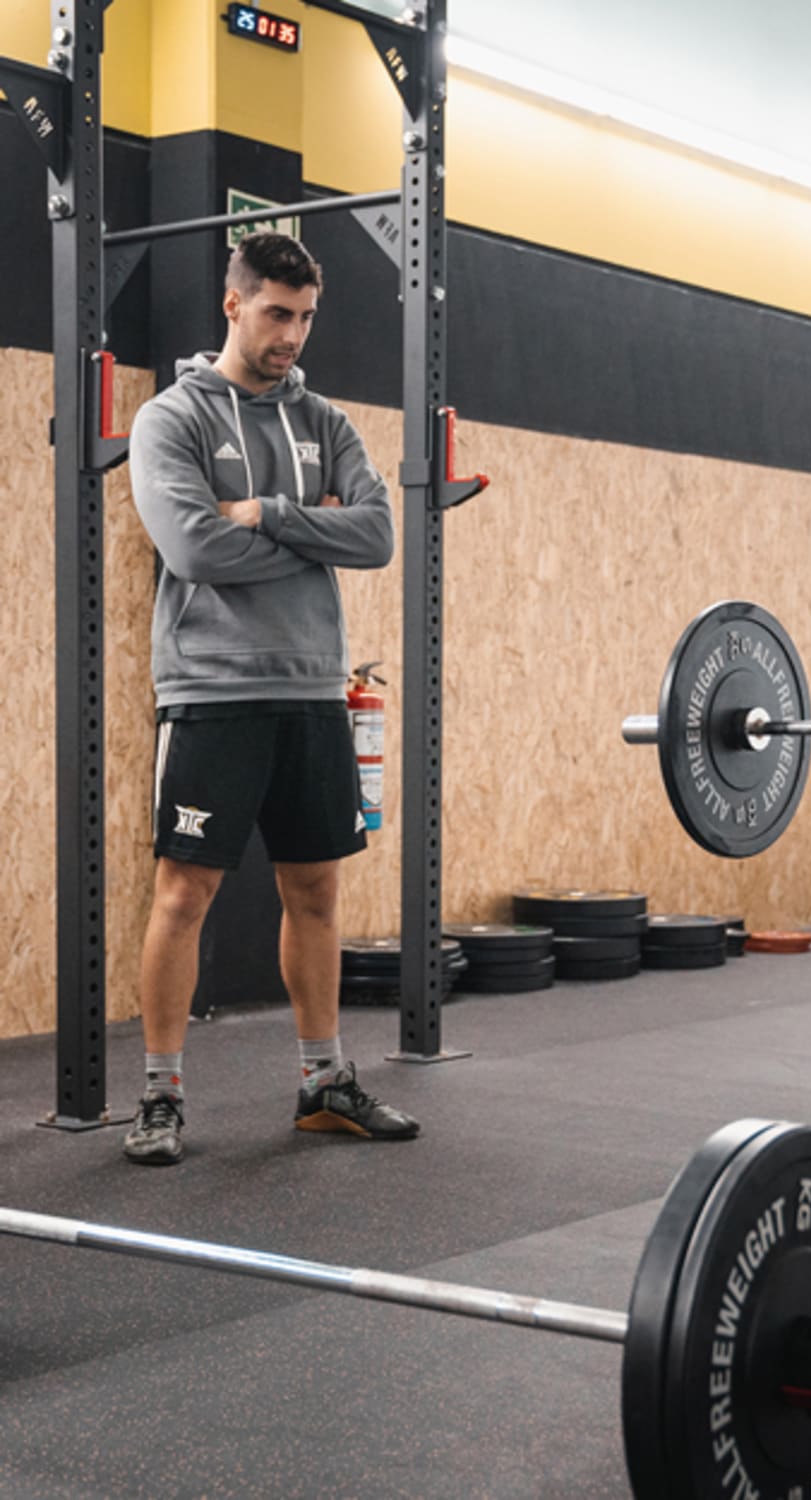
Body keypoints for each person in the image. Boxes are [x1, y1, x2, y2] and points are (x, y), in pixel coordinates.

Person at [123, 230, 420, 1165]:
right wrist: (313, 530)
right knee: (183, 893)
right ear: (234, 305)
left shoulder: (326, 423)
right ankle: (161, 1095)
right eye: (276, 314)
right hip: (210, 689)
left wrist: (273, 515)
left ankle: (323, 1082)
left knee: (317, 891)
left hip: (310, 688)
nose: (292, 334)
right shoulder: (171, 420)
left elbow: (376, 536)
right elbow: (195, 552)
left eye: (304, 318)